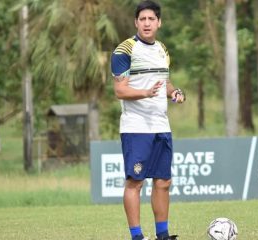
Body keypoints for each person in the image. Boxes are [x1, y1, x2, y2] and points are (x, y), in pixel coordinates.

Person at [111, 1, 185, 240]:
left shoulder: (162, 49)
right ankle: (137, 236)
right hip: (136, 127)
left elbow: (164, 82)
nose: (146, 23)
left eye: (151, 19)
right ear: (136, 22)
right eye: (142, 19)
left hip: (161, 125)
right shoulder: (124, 50)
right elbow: (120, 91)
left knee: (163, 181)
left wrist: (174, 92)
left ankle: (162, 235)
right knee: (135, 182)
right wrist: (145, 93)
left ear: (159, 23)